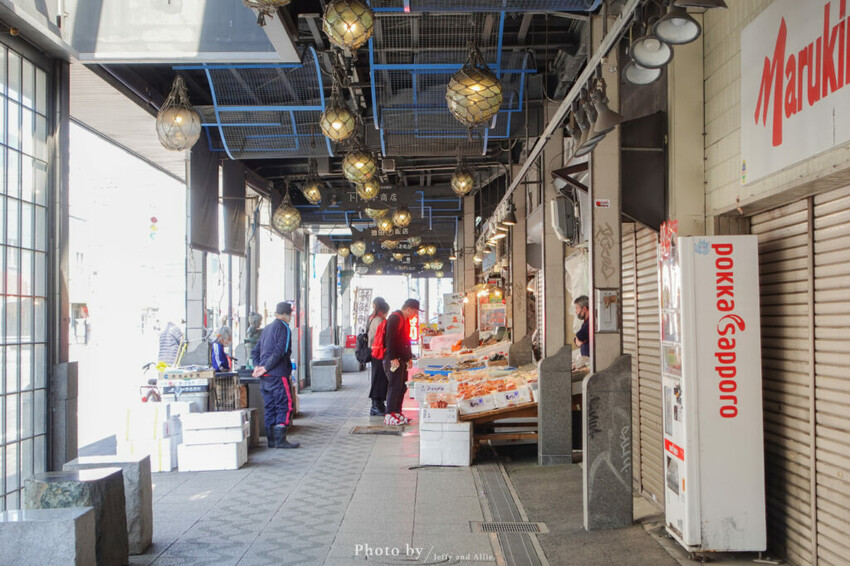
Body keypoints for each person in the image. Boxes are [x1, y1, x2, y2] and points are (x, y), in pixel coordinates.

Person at [252, 302, 300, 449]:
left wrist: (258, 367)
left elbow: (255, 351)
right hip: (278, 374)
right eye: (290, 314)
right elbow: (280, 351)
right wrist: (266, 367)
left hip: (265, 377)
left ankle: (271, 440)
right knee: (284, 404)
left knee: (270, 406)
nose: (291, 317)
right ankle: (280, 440)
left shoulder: (266, 328)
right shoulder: (284, 328)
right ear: (285, 314)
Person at [382, 298, 422, 426]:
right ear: (408, 309)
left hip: (402, 360)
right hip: (394, 360)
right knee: (394, 386)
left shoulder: (405, 320)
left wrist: (409, 357)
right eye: (415, 311)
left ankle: (397, 412)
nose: (416, 314)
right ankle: (389, 414)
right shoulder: (395, 318)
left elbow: (406, 340)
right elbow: (389, 339)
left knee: (401, 387)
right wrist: (392, 358)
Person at [367, 297, 390, 416]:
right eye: (386, 313)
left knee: (378, 378)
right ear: (382, 311)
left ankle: (379, 405)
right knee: (379, 379)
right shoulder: (380, 321)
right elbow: (384, 338)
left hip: (374, 352)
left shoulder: (371, 318)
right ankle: (376, 406)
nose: (386, 315)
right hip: (378, 353)